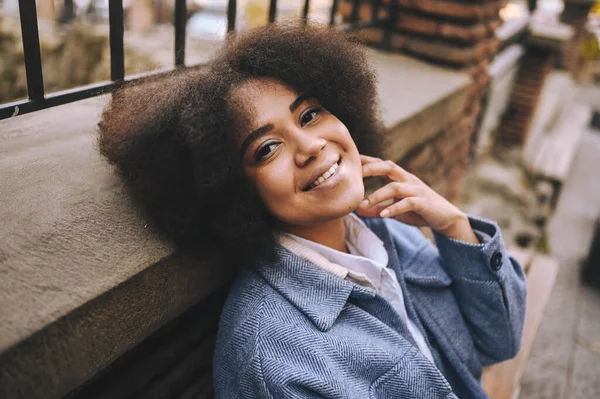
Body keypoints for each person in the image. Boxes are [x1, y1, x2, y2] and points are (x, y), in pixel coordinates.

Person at [98, 24, 527, 399]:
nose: (310, 146)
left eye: (309, 114)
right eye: (266, 149)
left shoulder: (387, 234)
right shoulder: (271, 359)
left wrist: (454, 225)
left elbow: (500, 342)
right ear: (235, 191)